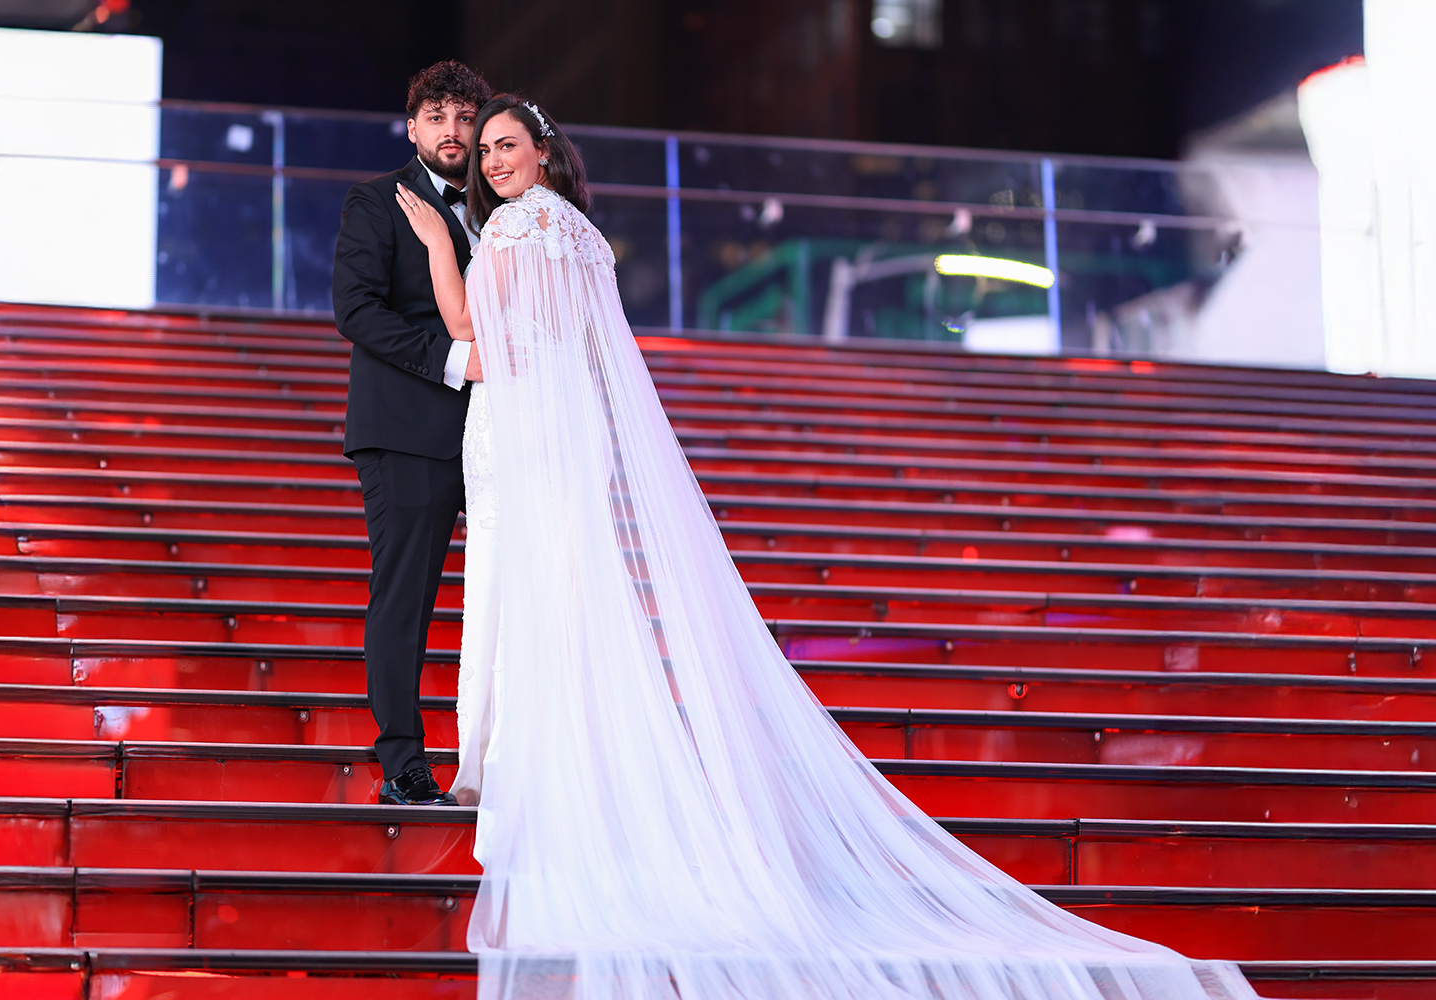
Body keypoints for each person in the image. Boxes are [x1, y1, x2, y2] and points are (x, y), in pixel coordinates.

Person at [395, 95, 1259, 1000]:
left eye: (505, 145)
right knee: (568, 608)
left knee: (524, 605)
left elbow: (469, 331)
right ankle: (558, 773)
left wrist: (436, 245)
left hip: (526, 445)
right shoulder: (581, 235)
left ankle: (511, 774)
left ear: (540, 152)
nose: (492, 160)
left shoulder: (513, 235)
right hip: (563, 448)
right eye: (485, 148)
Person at [331, 60, 491, 807]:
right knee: (406, 598)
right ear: (412, 126)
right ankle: (403, 759)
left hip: (494, 434)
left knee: (506, 597)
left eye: (464, 117)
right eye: (437, 117)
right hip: (405, 430)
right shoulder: (374, 203)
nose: (451, 131)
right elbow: (357, 312)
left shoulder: (501, 209)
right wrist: (454, 360)